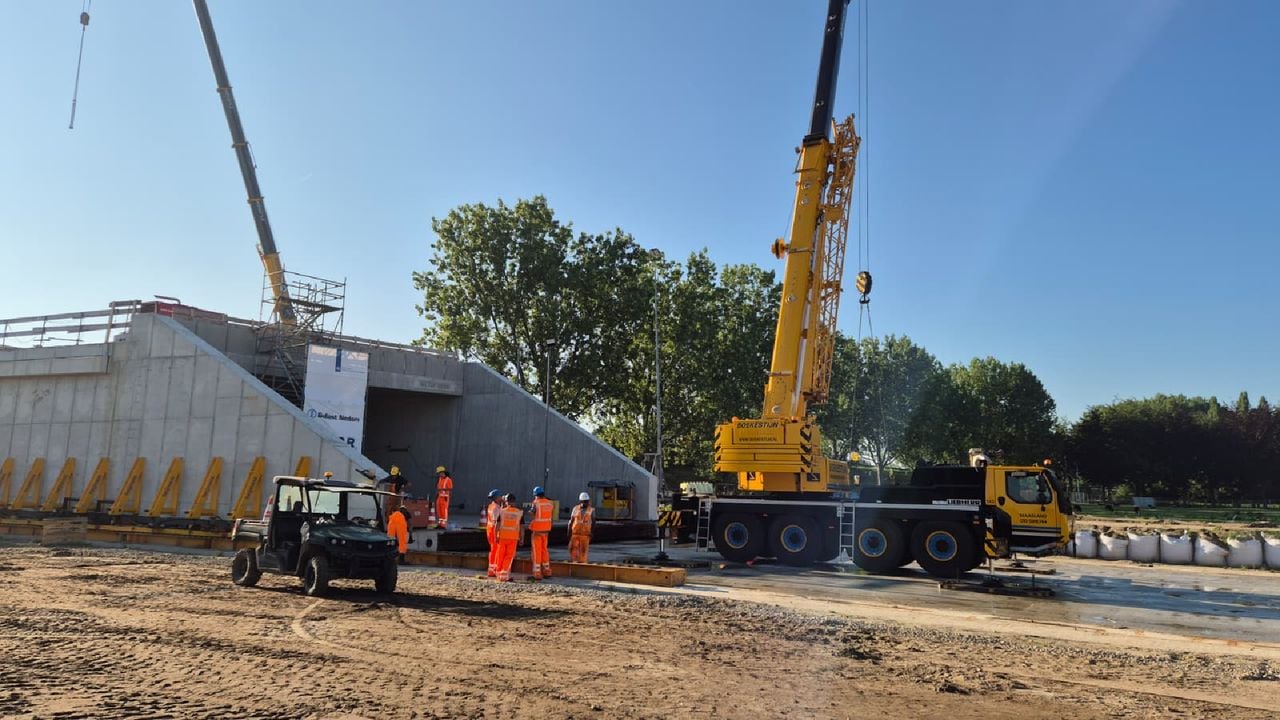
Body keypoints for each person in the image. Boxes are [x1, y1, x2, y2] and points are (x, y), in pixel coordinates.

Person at [494, 492, 523, 582]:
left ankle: (499, 574)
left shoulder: (502, 512)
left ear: (506, 502)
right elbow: (522, 528)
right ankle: (504, 575)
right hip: (513, 538)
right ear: (514, 502)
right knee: (509, 556)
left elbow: (497, 525)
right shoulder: (519, 513)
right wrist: (522, 538)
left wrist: (496, 536)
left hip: (502, 537)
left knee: (500, 555)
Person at [528, 486, 554, 580]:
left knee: (536, 552)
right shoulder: (550, 503)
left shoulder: (536, 503)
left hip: (537, 531)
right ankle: (547, 571)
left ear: (536, 495)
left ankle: (537, 572)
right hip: (546, 531)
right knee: (544, 550)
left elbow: (531, 513)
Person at [569, 492, 594, 563]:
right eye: (584, 501)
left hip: (585, 535)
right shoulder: (575, 509)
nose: (586, 503)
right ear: (581, 501)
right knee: (572, 549)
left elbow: (594, 522)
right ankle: (574, 562)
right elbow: (571, 521)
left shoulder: (591, 510)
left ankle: (583, 564)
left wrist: (592, 532)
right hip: (575, 534)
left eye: (587, 501)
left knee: (583, 551)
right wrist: (569, 532)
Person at [484, 489, 504, 578]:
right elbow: (497, 522)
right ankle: (494, 569)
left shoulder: (491, 506)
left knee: (492, 550)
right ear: (497, 497)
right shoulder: (496, 508)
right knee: (496, 550)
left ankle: (491, 569)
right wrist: (497, 534)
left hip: (489, 529)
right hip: (493, 530)